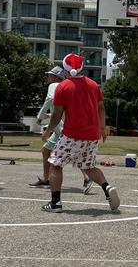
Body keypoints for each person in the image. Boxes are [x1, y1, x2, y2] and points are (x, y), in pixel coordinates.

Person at [40, 53, 119, 212]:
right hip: (91, 135)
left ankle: (55, 203)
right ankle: (107, 187)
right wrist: (102, 129)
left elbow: (57, 114)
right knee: (89, 167)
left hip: (72, 134)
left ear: (65, 69)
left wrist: (48, 131)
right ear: (82, 67)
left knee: (55, 164)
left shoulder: (62, 86)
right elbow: (101, 108)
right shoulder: (93, 84)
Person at [29, 65, 94, 194]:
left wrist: (40, 116)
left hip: (62, 128)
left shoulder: (53, 86)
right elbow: (59, 108)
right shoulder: (68, 85)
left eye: (50, 75)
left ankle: (87, 178)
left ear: (54, 77)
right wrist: (49, 115)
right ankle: (47, 179)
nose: (48, 77)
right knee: (47, 151)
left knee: (69, 155)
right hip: (61, 127)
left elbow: (50, 100)